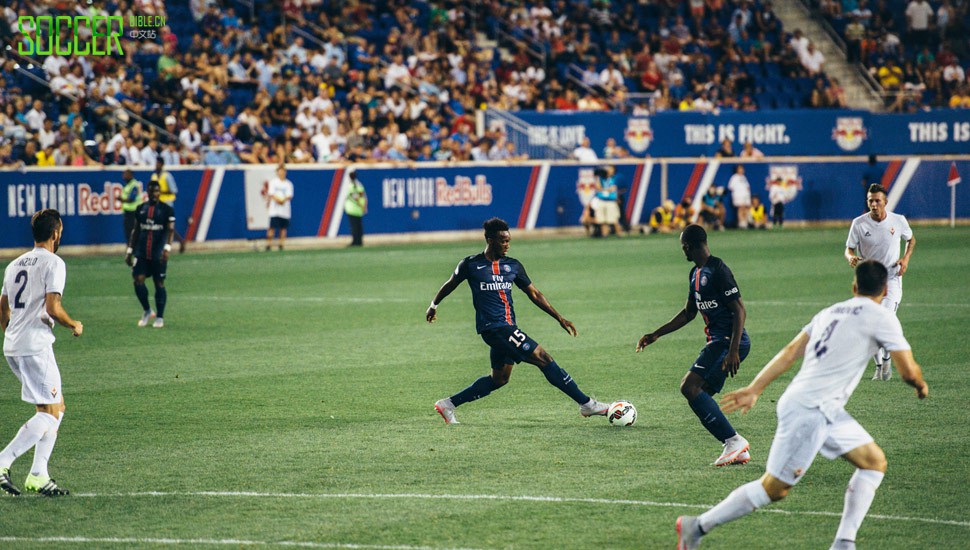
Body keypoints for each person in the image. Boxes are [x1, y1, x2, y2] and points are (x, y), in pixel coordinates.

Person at [676, 260, 929, 550]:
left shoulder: (830, 313)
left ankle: (844, 543)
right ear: (885, 289)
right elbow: (908, 372)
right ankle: (697, 527)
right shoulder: (883, 317)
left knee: (874, 463)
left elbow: (790, 352)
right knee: (773, 488)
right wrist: (921, 385)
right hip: (810, 411)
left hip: (824, 408)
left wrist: (756, 388)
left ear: (854, 286)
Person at [427, 218, 610, 424]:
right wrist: (434, 305)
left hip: (507, 328)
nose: (507, 245)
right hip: (494, 328)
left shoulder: (512, 266)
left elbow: (534, 293)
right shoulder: (471, 264)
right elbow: (450, 284)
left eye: (508, 241)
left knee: (500, 379)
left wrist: (559, 317)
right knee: (543, 358)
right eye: (503, 241)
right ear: (490, 240)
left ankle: (447, 405)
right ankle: (586, 404)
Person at [637, 224, 752, 466]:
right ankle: (737, 448)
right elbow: (689, 313)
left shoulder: (719, 270)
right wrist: (656, 334)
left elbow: (739, 310)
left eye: (683, 247)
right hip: (719, 342)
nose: (683, 252)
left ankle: (733, 441)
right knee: (700, 395)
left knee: (689, 387)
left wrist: (732, 351)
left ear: (688, 246)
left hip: (728, 342)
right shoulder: (695, 274)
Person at [0, 209, 82, 497]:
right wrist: (74, 324)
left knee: (53, 407)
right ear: (55, 233)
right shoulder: (54, 263)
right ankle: (3, 461)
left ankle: (38, 474)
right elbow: (52, 307)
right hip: (35, 346)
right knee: (50, 413)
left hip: (13, 345)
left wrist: (11, 334)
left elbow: (3, 307)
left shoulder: (14, 265)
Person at [844, 184, 916, 381]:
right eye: (870, 201)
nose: (873, 204)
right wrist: (850, 257)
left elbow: (911, 239)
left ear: (885, 202)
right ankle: (879, 365)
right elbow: (849, 248)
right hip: (868, 281)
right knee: (868, 323)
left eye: (877, 200)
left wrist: (906, 259)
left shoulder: (898, 221)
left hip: (892, 278)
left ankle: (886, 359)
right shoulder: (858, 224)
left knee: (882, 317)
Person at [125, 181, 175, 328]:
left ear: (160, 192)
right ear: (147, 191)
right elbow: (136, 231)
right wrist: (129, 251)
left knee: (159, 283)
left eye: (157, 191)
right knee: (137, 280)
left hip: (158, 253)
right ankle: (147, 310)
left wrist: (167, 248)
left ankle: (159, 317)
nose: (155, 194)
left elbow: (171, 230)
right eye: (152, 191)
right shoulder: (141, 209)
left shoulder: (167, 210)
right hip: (141, 252)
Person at [150, 159, 186, 253]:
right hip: (157, 203)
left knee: (167, 225)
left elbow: (174, 190)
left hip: (167, 202)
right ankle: (178, 242)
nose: (156, 165)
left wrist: (161, 192)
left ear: (161, 164)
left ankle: (172, 244)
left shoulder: (167, 176)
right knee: (161, 225)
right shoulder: (153, 176)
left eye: (158, 164)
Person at [266, 164, 294, 251]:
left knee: (283, 228)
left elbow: (290, 195)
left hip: (284, 209)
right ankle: (268, 244)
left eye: (283, 171)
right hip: (275, 209)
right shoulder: (273, 182)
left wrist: (283, 200)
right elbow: (271, 194)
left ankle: (281, 244)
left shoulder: (288, 184)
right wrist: (278, 200)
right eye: (280, 171)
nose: (282, 173)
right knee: (272, 227)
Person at [591, 166, 623, 237]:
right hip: (602, 200)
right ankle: (605, 234)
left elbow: (613, 188)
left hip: (611, 201)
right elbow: (598, 187)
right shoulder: (601, 178)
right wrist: (597, 177)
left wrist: (605, 190)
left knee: (614, 219)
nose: (608, 170)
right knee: (602, 220)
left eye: (610, 169)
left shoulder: (615, 178)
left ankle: (619, 234)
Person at [344, 170, 367, 247]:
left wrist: (361, 205)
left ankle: (356, 241)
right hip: (358, 209)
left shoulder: (351, 185)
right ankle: (359, 241)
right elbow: (363, 196)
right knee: (359, 226)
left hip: (352, 208)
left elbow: (355, 197)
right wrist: (364, 206)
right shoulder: (359, 184)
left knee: (354, 226)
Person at [120, 169, 143, 243]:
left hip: (134, 212)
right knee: (128, 232)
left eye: (125, 174)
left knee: (134, 231)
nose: (124, 176)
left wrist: (122, 200)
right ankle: (130, 249)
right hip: (127, 212)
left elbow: (132, 198)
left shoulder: (134, 185)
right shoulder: (127, 185)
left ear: (130, 175)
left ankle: (135, 249)